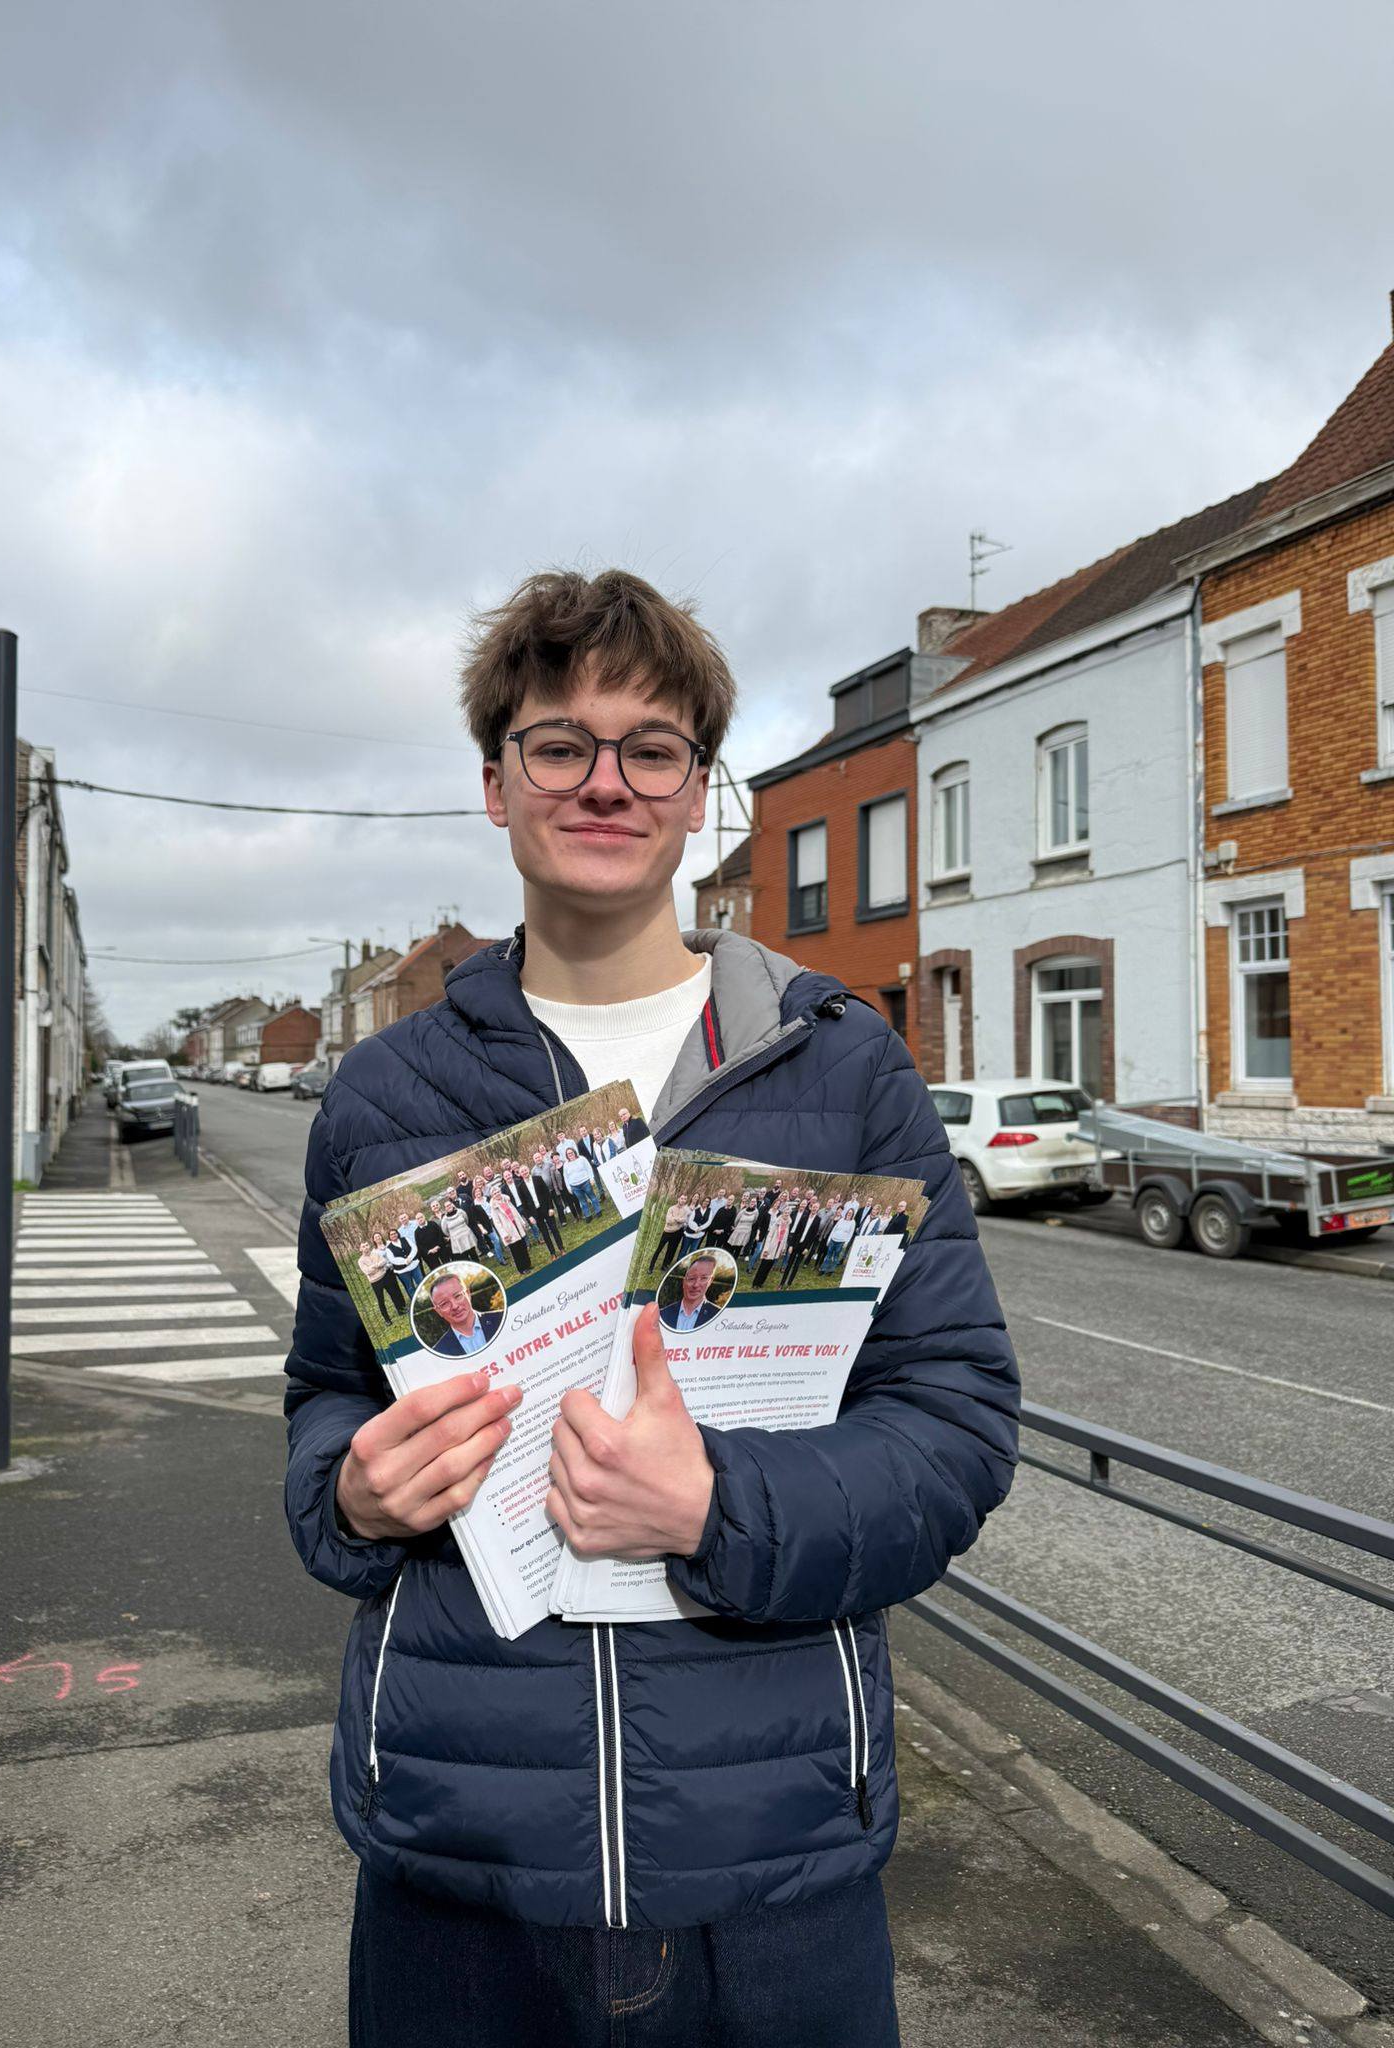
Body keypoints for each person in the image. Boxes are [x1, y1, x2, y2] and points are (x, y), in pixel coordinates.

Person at [283, 567, 1018, 2048]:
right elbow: (324, 1405)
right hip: (461, 1868)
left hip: (772, 1869)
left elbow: (954, 1429)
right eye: (560, 744)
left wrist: (716, 1505)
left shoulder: (845, 1072)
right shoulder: (383, 1094)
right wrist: (352, 1496)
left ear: (699, 793)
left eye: (652, 748)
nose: (605, 781)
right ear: (495, 783)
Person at [424, 1270, 504, 1358]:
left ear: (468, 1294)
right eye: (444, 1304)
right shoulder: (439, 1352)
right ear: (438, 1311)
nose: (454, 1306)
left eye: (457, 1296)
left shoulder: (502, 1318)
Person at [660, 1252, 724, 1333]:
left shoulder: (719, 1317)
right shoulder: (663, 1314)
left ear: (710, 1281)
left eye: (704, 1278)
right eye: (691, 1278)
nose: (696, 1285)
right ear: (684, 1282)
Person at [357, 1234, 407, 1324]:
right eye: (363, 1246)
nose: (366, 1247)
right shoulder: (360, 1261)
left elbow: (383, 1261)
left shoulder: (375, 1253)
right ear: (360, 1249)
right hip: (375, 1282)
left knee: (393, 1294)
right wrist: (378, 1266)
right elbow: (367, 1271)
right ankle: (387, 1319)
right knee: (381, 1300)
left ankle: (401, 1310)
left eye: (366, 1245)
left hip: (384, 1277)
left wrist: (374, 1266)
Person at [649, 1194, 690, 1271]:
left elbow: (684, 1220)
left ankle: (664, 1266)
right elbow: (668, 1221)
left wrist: (675, 1218)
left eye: (685, 1199)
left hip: (676, 1233)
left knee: (670, 1250)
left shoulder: (685, 1211)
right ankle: (651, 1266)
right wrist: (678, 1220)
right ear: (678, 1199)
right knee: (659, 1249)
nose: (683, 1200)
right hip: (667, 1232)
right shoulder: (671, 1208)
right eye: (682, 1198)